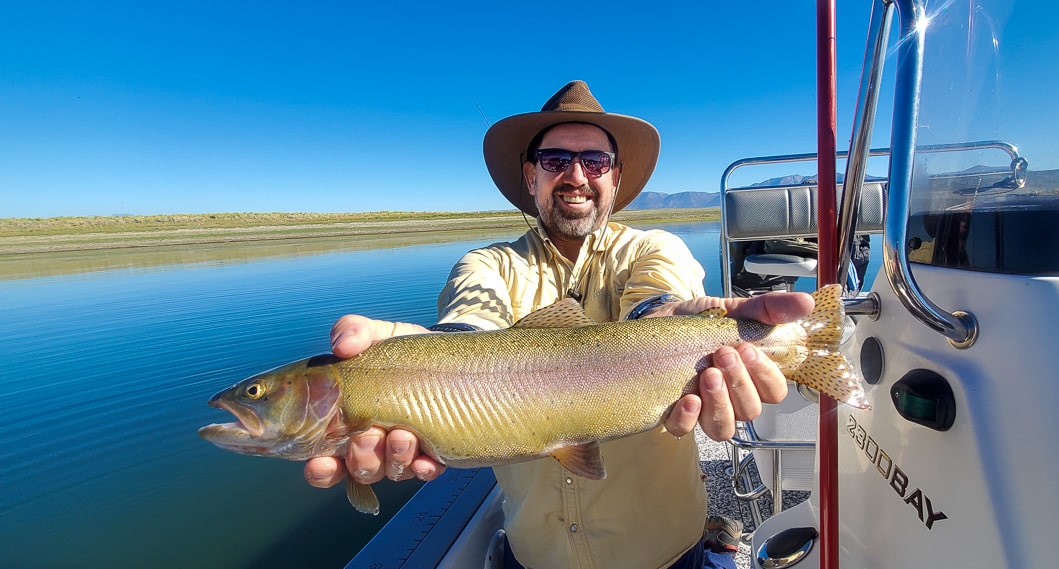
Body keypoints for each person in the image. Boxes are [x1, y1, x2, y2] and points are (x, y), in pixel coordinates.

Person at [304, 80, 817, 569]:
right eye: (556, 160)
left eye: (594, 161)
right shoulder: (486, 266)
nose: (576, 175)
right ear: (532, 176)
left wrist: (666, 317)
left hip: (664, 554)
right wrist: (420, 367)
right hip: (536, 557)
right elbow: (469, 328)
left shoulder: (655, 248)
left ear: (615, 178)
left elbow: (656, 301)